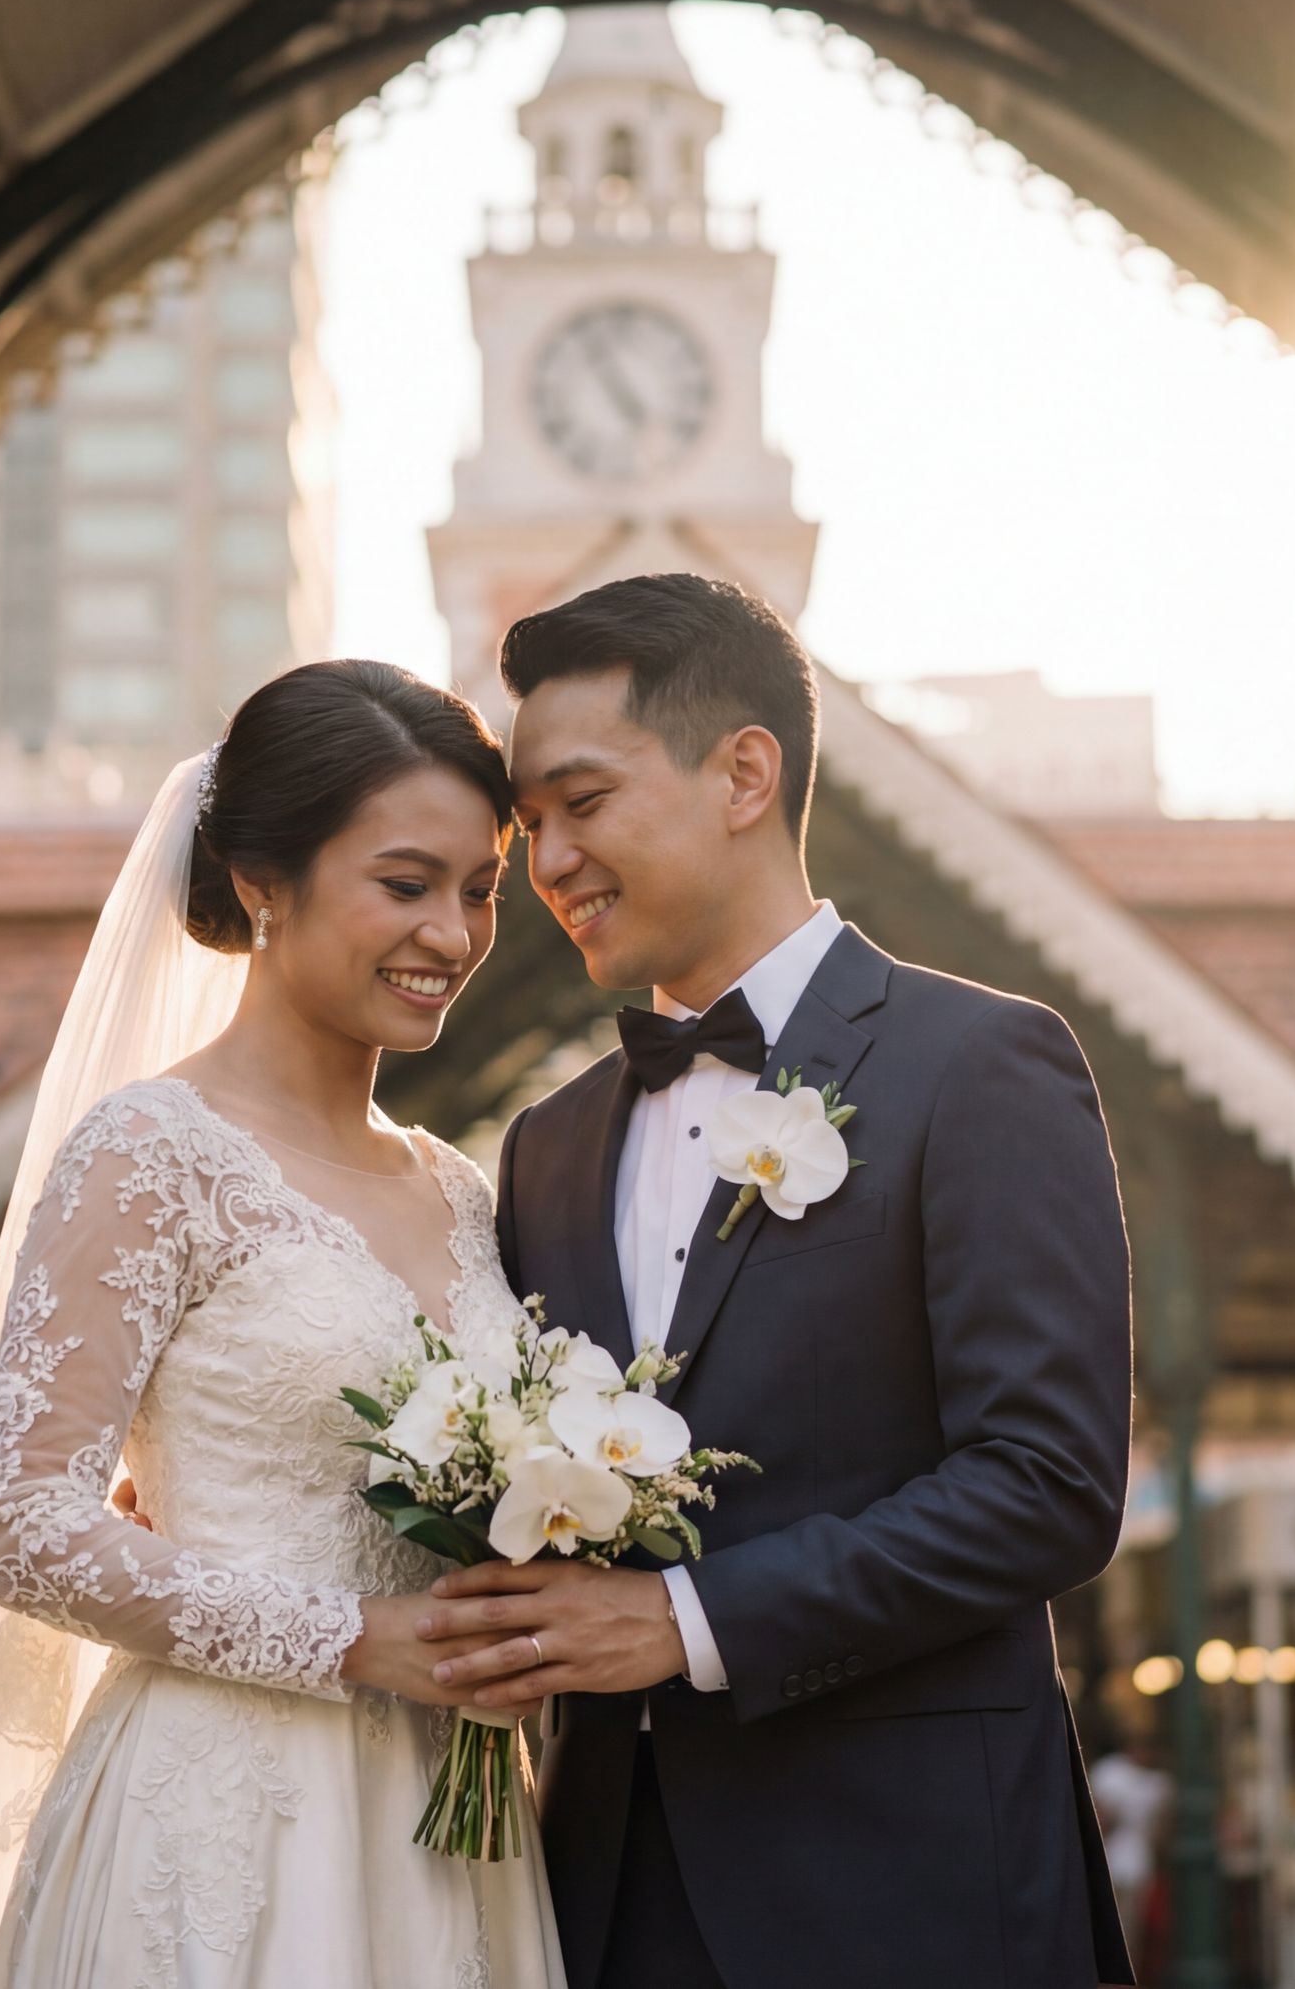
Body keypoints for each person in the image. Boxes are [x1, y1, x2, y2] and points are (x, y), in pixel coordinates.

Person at [422, 573, 1136, 1987]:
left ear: (745, 771)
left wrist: (683, 1622)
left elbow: (1048, 1482)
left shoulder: (981, 1066)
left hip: (910, 1891)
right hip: (607, 1899)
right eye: (530, 826)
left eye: (582, 802)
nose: (547, 861)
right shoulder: (546, 1148)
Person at [0, 661, 561, 1988]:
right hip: (225, 1811)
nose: (451, 935)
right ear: (262, 883)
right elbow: (19, 1526)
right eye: (405, 884)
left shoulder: (459, 1189)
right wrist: (358, 1640)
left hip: (452, 1831)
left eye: (480, 891)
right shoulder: (150, 1153)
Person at [1088, 1724, 1174, 1977]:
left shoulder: (1159, 1784)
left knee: (1130, 1932)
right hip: (1108, 1864)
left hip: (1137, 1867)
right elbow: (1098, 1818)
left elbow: (1161, 1831)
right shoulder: (1110, 1772)